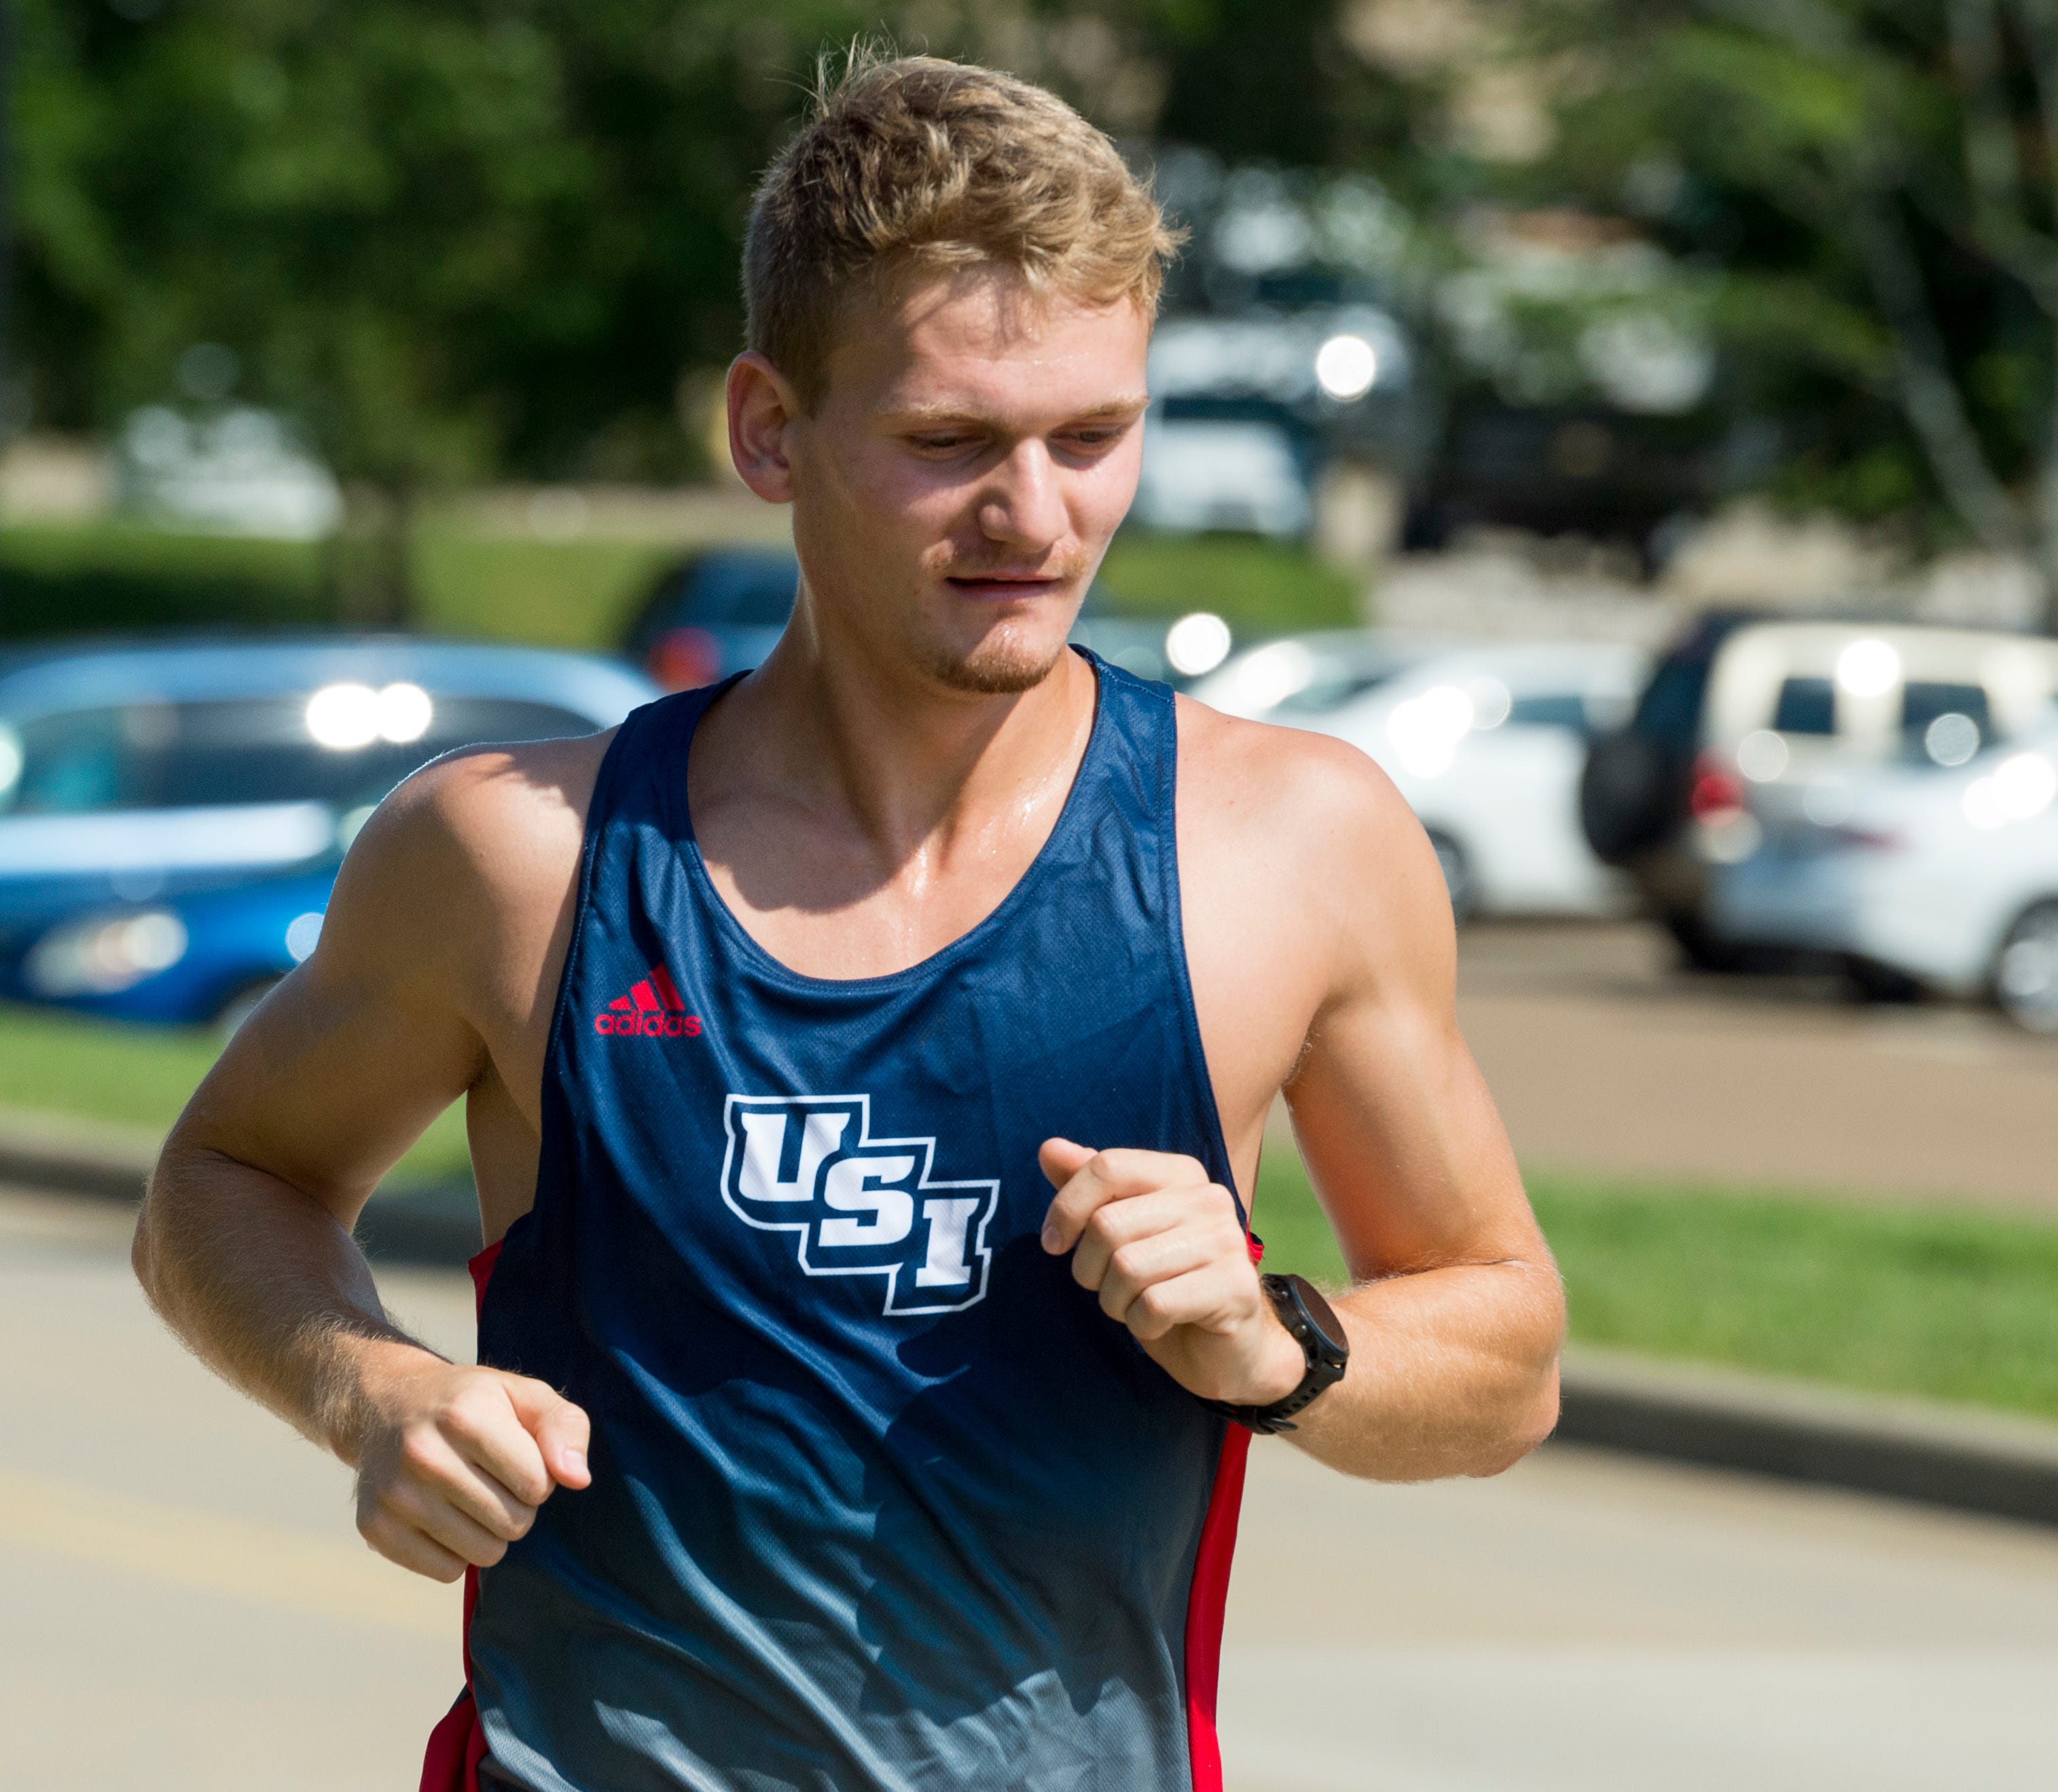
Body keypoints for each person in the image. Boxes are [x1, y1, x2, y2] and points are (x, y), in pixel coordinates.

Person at [133, 51, 1564, 1792]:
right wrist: (370, 1387)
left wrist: (1279, 1339)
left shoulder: (1289, 843)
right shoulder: (519, 859)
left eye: (1093, 437)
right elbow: (223, 1184)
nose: (1034, 517)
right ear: (767, 429)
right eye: (949, 442)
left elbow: (1503, 1354)